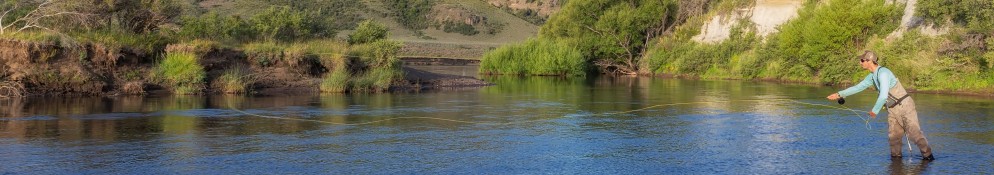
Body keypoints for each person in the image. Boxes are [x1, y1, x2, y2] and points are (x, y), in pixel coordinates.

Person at [826, 50, 935, 160]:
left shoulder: (883, 73)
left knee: (914, 134)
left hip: (905, 106)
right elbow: (858, 87)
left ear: (870, 61)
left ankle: (929, 157)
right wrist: (839, 94)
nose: (860, 62)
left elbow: (883, 95)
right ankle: (896, 162)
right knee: (894, 138)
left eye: (862, 60)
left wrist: (875, 111)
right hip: (892, 109)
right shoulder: (872, 76)